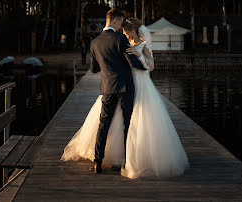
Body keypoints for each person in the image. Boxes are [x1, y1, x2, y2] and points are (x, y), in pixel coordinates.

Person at [61, 15, 189, 179]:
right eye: (125, 31)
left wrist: (139, 54)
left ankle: (121, 159)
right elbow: (125, 62)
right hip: (126, 86)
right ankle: (111, 158)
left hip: (135, 85)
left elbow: (150, 66)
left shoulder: (140, 44)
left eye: (128, 31)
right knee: (121, 122)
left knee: (128, 122)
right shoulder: (123, 41)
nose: (127, 34)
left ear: (135, 30)